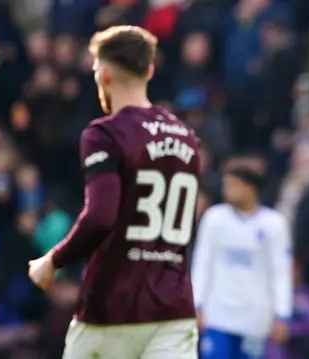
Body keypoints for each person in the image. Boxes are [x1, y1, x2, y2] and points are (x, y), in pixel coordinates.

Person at [27, 26, 201, 359]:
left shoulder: (105, 134)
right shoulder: (187, 138)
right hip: (173, 310)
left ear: (104, 74)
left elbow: (101, 215)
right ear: (149, 70)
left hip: (112, 309)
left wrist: (52, 261)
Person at [191, 167, 293, 359]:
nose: (226, 190)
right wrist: (196, 304)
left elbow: (280, 272)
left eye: (233, 185)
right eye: (225, 185)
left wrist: (282, 314)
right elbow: (202, 264)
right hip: (217, 315)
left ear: (250, 188)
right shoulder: (214, 218)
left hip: (255, 319)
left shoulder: (274, 224)